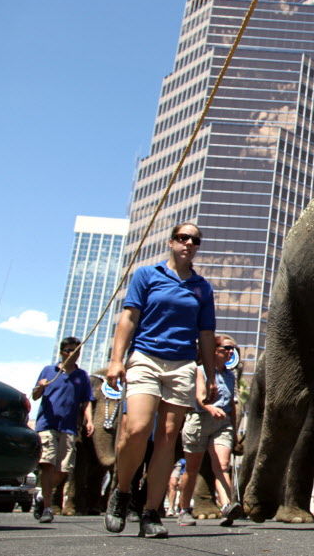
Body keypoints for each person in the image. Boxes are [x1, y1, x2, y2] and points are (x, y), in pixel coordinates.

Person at [104, 222, 216, 539]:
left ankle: (151, 511)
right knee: (138, 428)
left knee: (168, 438)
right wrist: (116, 360)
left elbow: (206, 334)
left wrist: (210, 375)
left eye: (195, 240)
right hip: (145, 358)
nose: (189, 243)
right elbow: (129, 318)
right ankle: (122, 490)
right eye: (183, 237)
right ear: (171, 242)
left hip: (182, 365)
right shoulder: (147, 275)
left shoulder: (202, 288)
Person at [175, 334, 243, 527]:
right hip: (200, 420)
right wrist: (210, 408)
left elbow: (232, 403)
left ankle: (227, 507)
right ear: (214, 351)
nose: (230, 352)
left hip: (223, 424)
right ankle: (184, 509)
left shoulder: (230, 376)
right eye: (226, 349)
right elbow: (199, 396)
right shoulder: (200, 371)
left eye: (232, 350)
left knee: (222, 466)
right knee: (192, 469)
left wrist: (234, 428)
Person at [31, 336, 94, 523]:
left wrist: (89, 420)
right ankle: (48, 508)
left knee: (64, 469)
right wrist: (40, 387)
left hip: (69, 427)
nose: (71, 354)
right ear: (61, 352)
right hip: (47, 425)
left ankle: (42, 495)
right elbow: (34, 395)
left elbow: (86, 401)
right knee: (48, 464)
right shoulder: (49, 371)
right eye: (68, 350)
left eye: (75, 351)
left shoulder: (82, 376)